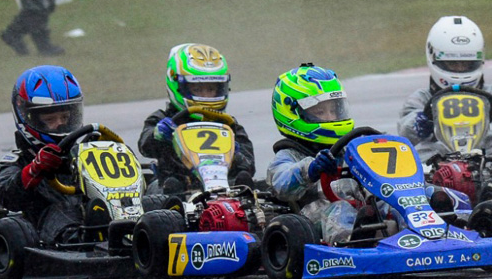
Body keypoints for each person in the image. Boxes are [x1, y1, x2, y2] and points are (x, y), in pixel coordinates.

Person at [138, 43, 256, 194]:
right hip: (175, 188)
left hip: (223, 188)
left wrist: (237, 156)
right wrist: (158, 135)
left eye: (211, 89)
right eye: (197, 89)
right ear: (177, 85)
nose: (205, 95)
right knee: (167, 186)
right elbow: (145, 146)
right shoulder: (163, 119)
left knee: (245, 182)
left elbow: (249, 166)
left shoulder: (228, 125)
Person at [267, 64, 362, 242]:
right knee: (342, 209)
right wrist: (310, 169)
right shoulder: (289, 155)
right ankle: (349, 250)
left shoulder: (349, 148)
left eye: (334, 110)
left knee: (409, 199)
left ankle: (424, 239)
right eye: (320, 111)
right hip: (315, 220)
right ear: (292, 113)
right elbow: (280, 184)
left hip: (360, 208)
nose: (330, 117)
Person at [0, 65, 86, 243]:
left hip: (92, 215)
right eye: (50, 120)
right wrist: (35, 170)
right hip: (48, 229)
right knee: (65, 213)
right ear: (27, 117)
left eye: (65, 117)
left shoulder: (84, 152)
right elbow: (7, 195)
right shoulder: (17, 161)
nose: (60, 125)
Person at [397, 16, 492, 162]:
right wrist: (423, 121)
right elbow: (405, 134)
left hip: (486, 164)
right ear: (433, 57)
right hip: (437, 168)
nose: (460, 69)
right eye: (453, 64)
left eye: (466, 64)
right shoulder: (420, 99)